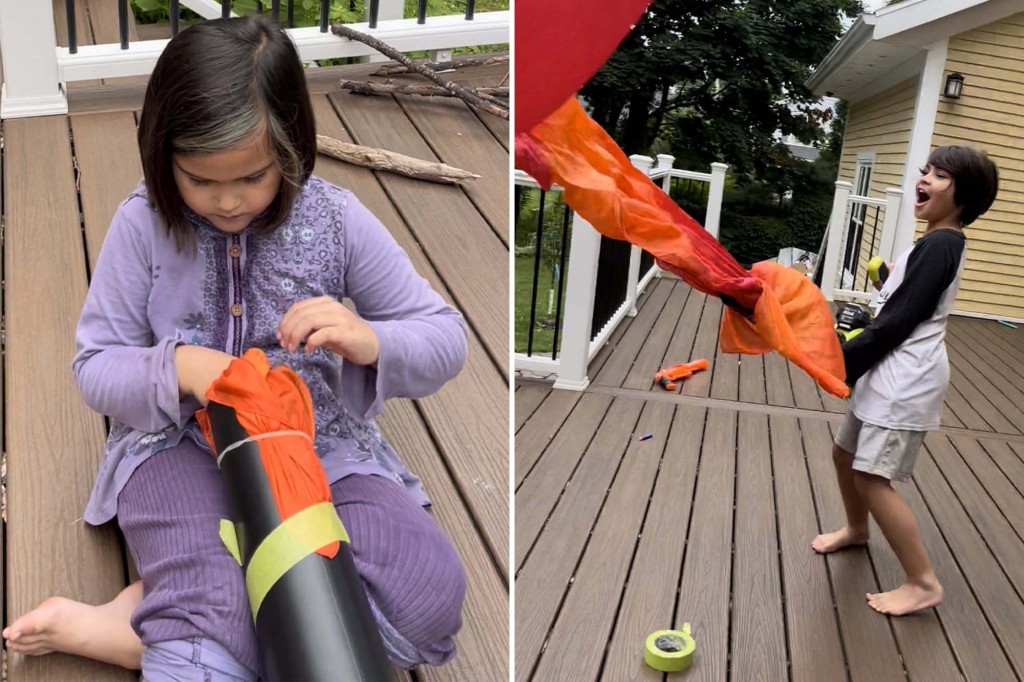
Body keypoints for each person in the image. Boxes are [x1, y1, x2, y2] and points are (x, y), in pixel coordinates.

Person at [2, 14, 468, 680]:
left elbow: (445, 336)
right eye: (199, 179)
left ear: (291, 147)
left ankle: (144, 625)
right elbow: (95, 366)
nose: (226, 201)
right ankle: (195, 620)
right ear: (163, 154)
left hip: (319, 448)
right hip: (179, 447)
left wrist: (369, 338)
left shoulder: (334, 218)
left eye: (252, 177)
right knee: (219, 605)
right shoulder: (144, 225)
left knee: (425, 593)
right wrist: (179, 367)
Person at [812, 145, 999, 616]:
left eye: (940, 175)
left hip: (904, 381)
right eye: (926, 171)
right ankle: (857, 531)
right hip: (887, 372)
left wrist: (843, 361)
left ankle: (922, 582)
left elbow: (899, 322)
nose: (926, 179)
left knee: (872, 477)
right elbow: (908, 300)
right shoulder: (932, 242)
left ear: (964, 195)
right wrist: (887, 281)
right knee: (845, 454)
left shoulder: (941, 244)